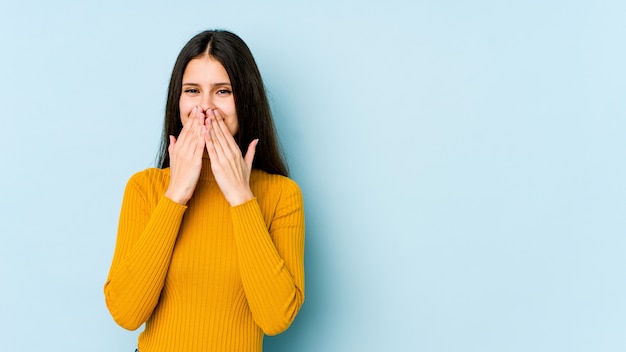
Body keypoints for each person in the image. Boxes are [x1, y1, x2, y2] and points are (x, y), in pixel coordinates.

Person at [104, 30, 305, 352]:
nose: (205, 107)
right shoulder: (145, 188)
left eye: (223, 91)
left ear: (246, 100)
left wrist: (241, 198)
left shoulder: (281, 194)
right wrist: (175, 196)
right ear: (178, 101)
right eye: (192, 91)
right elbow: (127, 313)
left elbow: (276, 318)